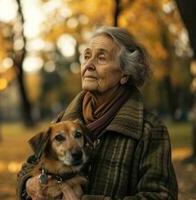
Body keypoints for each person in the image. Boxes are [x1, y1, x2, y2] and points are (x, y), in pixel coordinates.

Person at [17, 26, 178, 200]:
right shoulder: (65, 120)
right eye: (86, 56)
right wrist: (29, 183)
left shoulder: (149, 130)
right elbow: (31, 164)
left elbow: (161, 196)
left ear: (125, 74)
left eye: (101, 58)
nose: (89, 65)